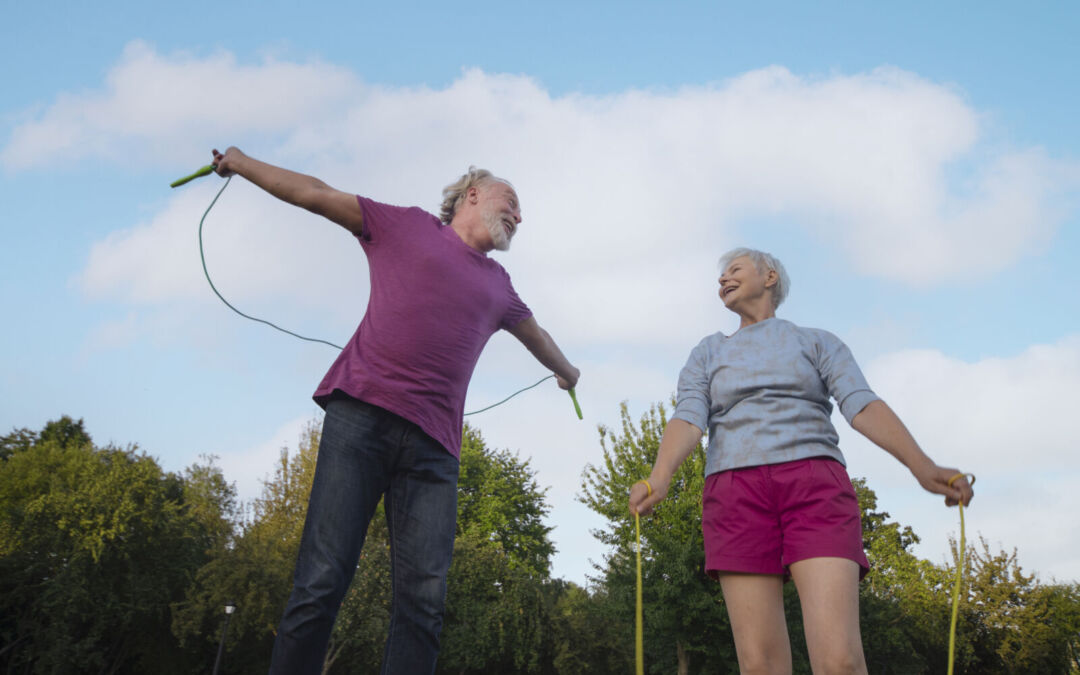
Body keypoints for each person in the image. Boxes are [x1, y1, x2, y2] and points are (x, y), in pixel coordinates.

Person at [210, 147, 580, 675]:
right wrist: (241, 163)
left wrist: (568, 372)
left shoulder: (500, 286)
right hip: (360, 420)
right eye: (511, 202)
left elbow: (536, 336)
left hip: (434, 453)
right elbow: (316, 194)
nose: (519, 217)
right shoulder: (405, 226)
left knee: (424, 605)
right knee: (321, 581)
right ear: (473, 193)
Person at [627, 247, 973, 675]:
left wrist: (922, 466)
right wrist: (660, 476)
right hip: (734, 494)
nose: (723, 279)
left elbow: (861, 403)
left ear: (769, 276)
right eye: (721, 275)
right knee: (760, 666)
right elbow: (689, 416)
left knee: (840, 661)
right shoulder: (707, 352)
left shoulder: (817, 342)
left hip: (815, 485)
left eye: (734, 269)